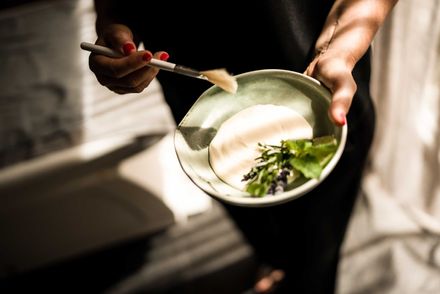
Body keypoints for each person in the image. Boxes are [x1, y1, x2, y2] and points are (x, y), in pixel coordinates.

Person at [87, 1, 398, 293]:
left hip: (319, 91)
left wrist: (341, 50)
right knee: (257, 224)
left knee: (317, 242)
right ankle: (278, 261)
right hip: (202, 106)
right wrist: (114, 24)